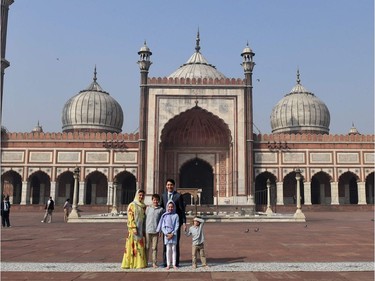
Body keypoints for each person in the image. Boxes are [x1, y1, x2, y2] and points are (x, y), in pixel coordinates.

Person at [160, 178, 186, 267]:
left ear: (174, 186)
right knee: (165, 243)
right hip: (166, 223)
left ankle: (176, 262)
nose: (169, 186)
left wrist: (184, 222)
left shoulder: (178, 196)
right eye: (168, 185)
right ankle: (166, 262)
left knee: (176, 243)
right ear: (166, 186)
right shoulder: (163, 196)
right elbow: (161, 208)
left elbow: (182, 210)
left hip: (175, 223)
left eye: (171, 185)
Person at [121, 189, 147, 269]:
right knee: (132, 246)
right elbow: (130, 217)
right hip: (134, 230)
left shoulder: (143, 206)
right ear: (136, 195)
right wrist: (133, 227)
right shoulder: (132, 205)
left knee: (139, 246)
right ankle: (130, 263)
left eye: (142, 195)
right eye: (140, 195)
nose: (141, 196)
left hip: (140, 228)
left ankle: (139, 263)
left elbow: (144, 218)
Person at [157, 200, 179, 270]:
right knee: (168, 249)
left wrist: (172, 233)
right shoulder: (164, 216)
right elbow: (163, 226)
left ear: (174, 207)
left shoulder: (176, 215)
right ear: (167, 207)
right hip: (167, 235)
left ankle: (174, 264)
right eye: (169, 207)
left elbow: (177, 225)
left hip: (174, 234)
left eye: (172, 207)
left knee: (174, 249)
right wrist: (166, 233)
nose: (170, 208)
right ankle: (168, 264)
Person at [145, 193, 164, 268]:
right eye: (154, 200)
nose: (155, 201)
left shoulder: (160, 209)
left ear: (158, 201)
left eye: (157, 200)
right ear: (152, 200)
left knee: (154, 248)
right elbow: (145, 218)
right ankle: (145, 261)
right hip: (148, 230)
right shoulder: (148, 208)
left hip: (155, 231)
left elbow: (161, 221)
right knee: (147, 247)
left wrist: (160, 231)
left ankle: (154, 262)